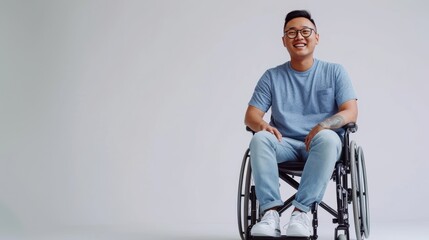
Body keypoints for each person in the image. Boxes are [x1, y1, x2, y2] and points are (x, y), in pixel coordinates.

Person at [244, 10, 358, 237]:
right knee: (259, 138)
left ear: (316, 37)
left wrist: (324, 125)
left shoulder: (335, 72)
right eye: (292, 32)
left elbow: (351, 112)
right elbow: (251, 116)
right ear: (284, 40)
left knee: (328, 137)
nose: (299, 37)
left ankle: (301, 213)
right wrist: (263, 126)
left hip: (321, 146)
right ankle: (270, 214)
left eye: (306, 31)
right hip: (284, 143)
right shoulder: (272, 76)